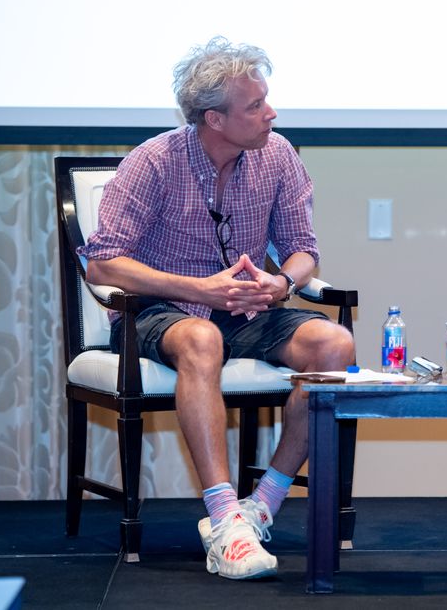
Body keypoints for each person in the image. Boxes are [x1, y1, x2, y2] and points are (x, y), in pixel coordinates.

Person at [81, 37, 355, 580]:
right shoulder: (153, 161)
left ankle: (260, 506)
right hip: (158, 311)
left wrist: (280, 283)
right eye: (256, 105)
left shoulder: (278, 155)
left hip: (249, 310)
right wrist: (198, 289)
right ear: (215, 119)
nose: (271, 113)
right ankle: (224, 517)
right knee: (201, 338)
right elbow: (103, 264)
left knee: (335, 344)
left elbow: (304, 250)